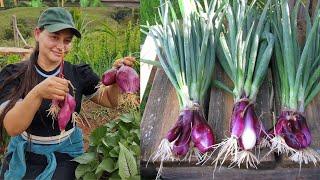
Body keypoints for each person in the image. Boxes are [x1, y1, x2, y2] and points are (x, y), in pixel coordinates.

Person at [0, 7, 134, 179]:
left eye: (67, 40)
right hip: (27, 153)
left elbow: (110, 100)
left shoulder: (78, 74)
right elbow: (12, 127)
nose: (61, 46)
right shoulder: (15, 75)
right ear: (37, 34)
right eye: (54, 37)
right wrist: (37, 93)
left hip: (66, 153)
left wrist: (117, 78)